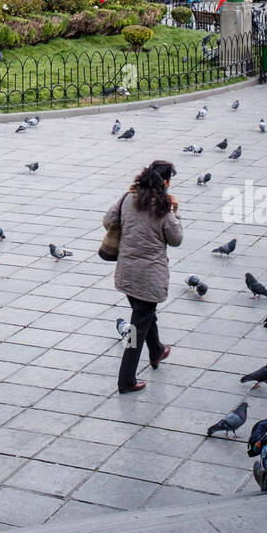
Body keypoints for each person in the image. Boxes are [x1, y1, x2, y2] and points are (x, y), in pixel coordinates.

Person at [103, 161, 181, 394]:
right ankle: (126, 380)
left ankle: (156, 350)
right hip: (149, 276)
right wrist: (175, 212)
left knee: (144, 314)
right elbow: (176, 238)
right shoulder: (163, 207)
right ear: (165, 182)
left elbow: (108, 221)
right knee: (137, 328)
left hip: (127, 272)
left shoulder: (128, 198)